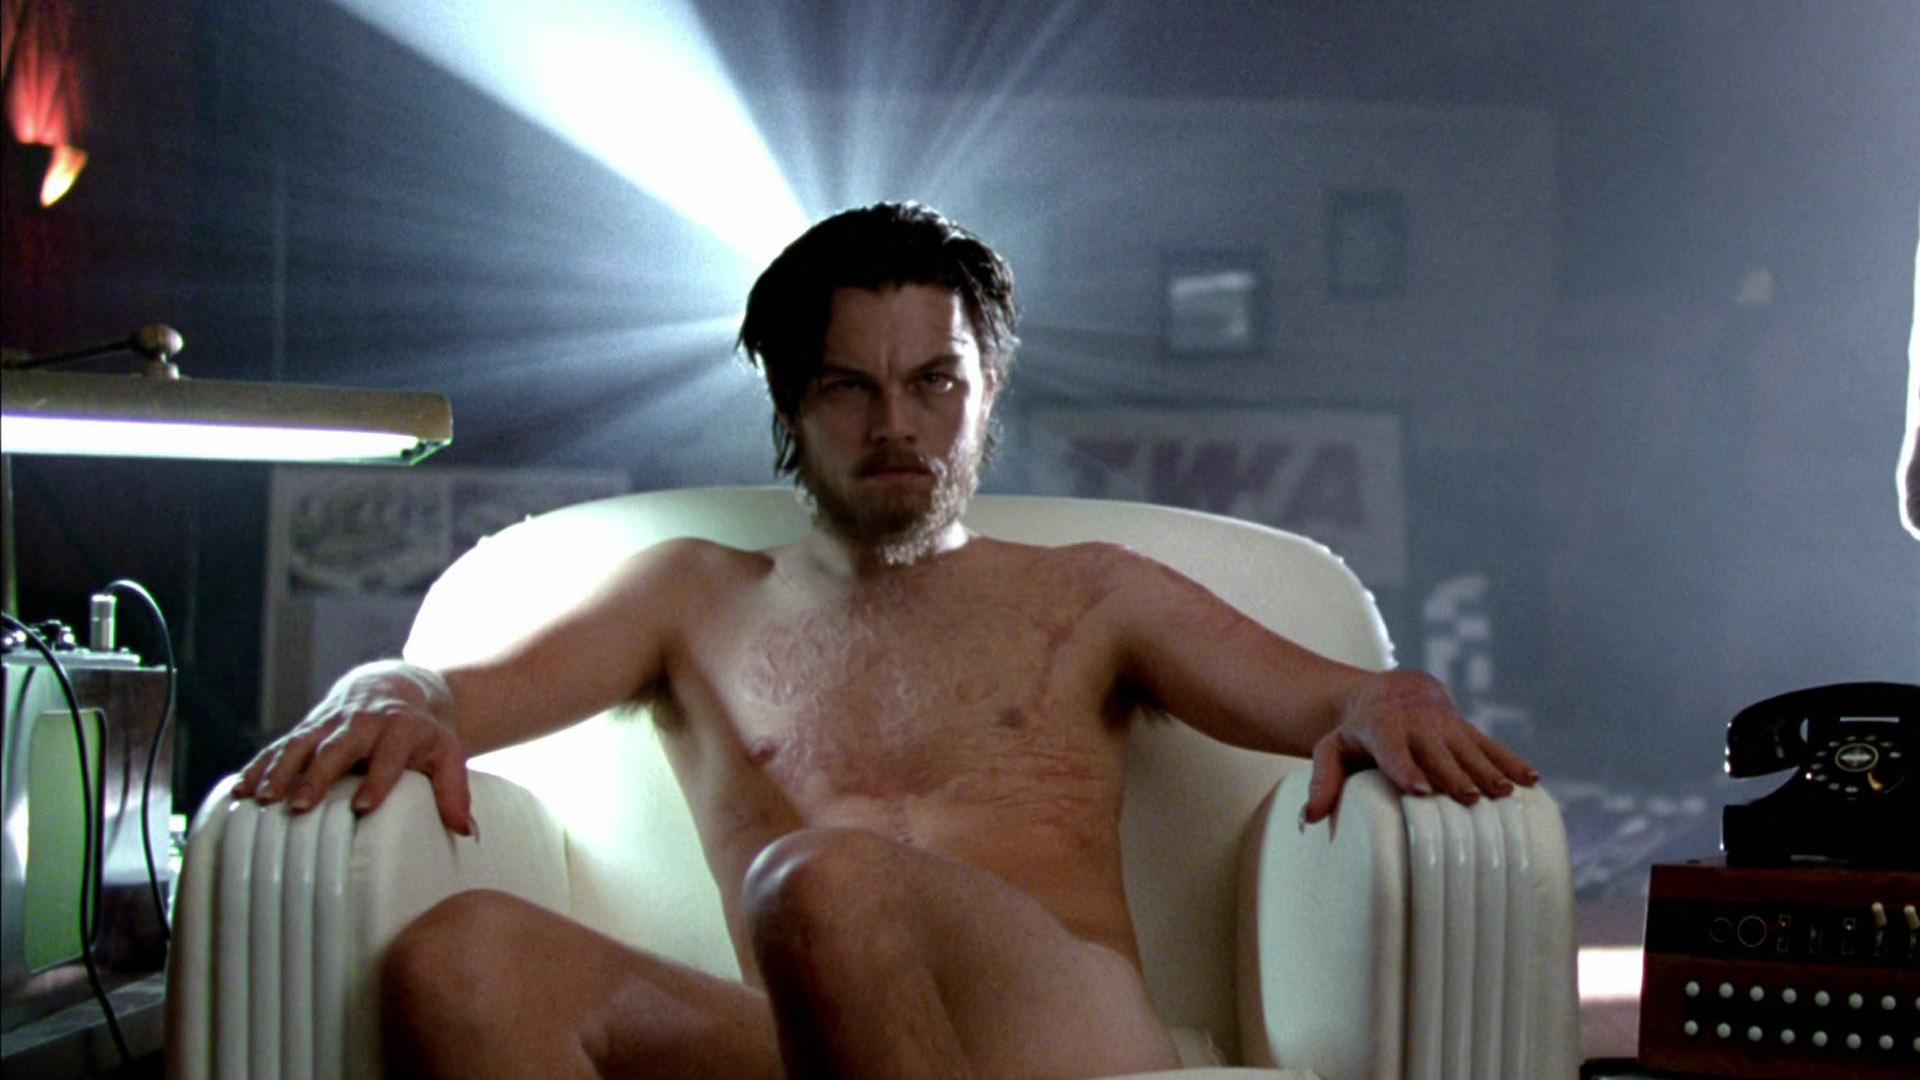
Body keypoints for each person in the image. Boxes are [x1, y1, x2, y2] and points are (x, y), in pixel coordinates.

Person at [235, 202, 1538, 1079]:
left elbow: (1341, 697)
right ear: (790, 407)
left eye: (934, 383)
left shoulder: (1091, 594)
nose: (896, 425)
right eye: (848, 386)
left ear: (987, 393)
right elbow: (449, 696)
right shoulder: (688, 595)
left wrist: (1397, 699)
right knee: (463, 962)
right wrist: (386, 684)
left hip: (1060, 1039)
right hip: (811, 1037)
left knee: (828, 880)